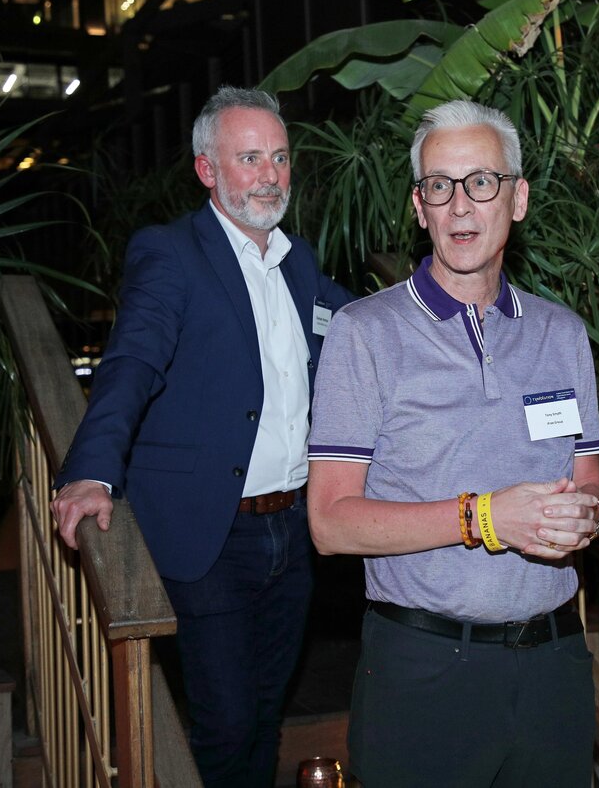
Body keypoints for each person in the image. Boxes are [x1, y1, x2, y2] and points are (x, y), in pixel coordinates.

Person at [50, 85, 355, 788]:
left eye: (280, 157)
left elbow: (362, 326)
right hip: (213, 535)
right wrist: (91, 469)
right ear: (207, 170)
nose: (271, 174)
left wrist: (448, 293)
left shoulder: (299, 261)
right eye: (250, 158)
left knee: (267, 714)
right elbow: (132, 362)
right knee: (226, 723)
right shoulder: (171, 253)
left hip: (295, 530)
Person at [306, 100, 599, 787]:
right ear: (420, 207)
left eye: (481, 182)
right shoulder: (365, 332)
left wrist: (587, 515)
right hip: (425, 669)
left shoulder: (561, 334)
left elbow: (592, 482)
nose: (461, 205)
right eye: (439, 186)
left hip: (553, 664)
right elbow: (329, 523)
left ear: (518, 198)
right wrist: (485, 518)